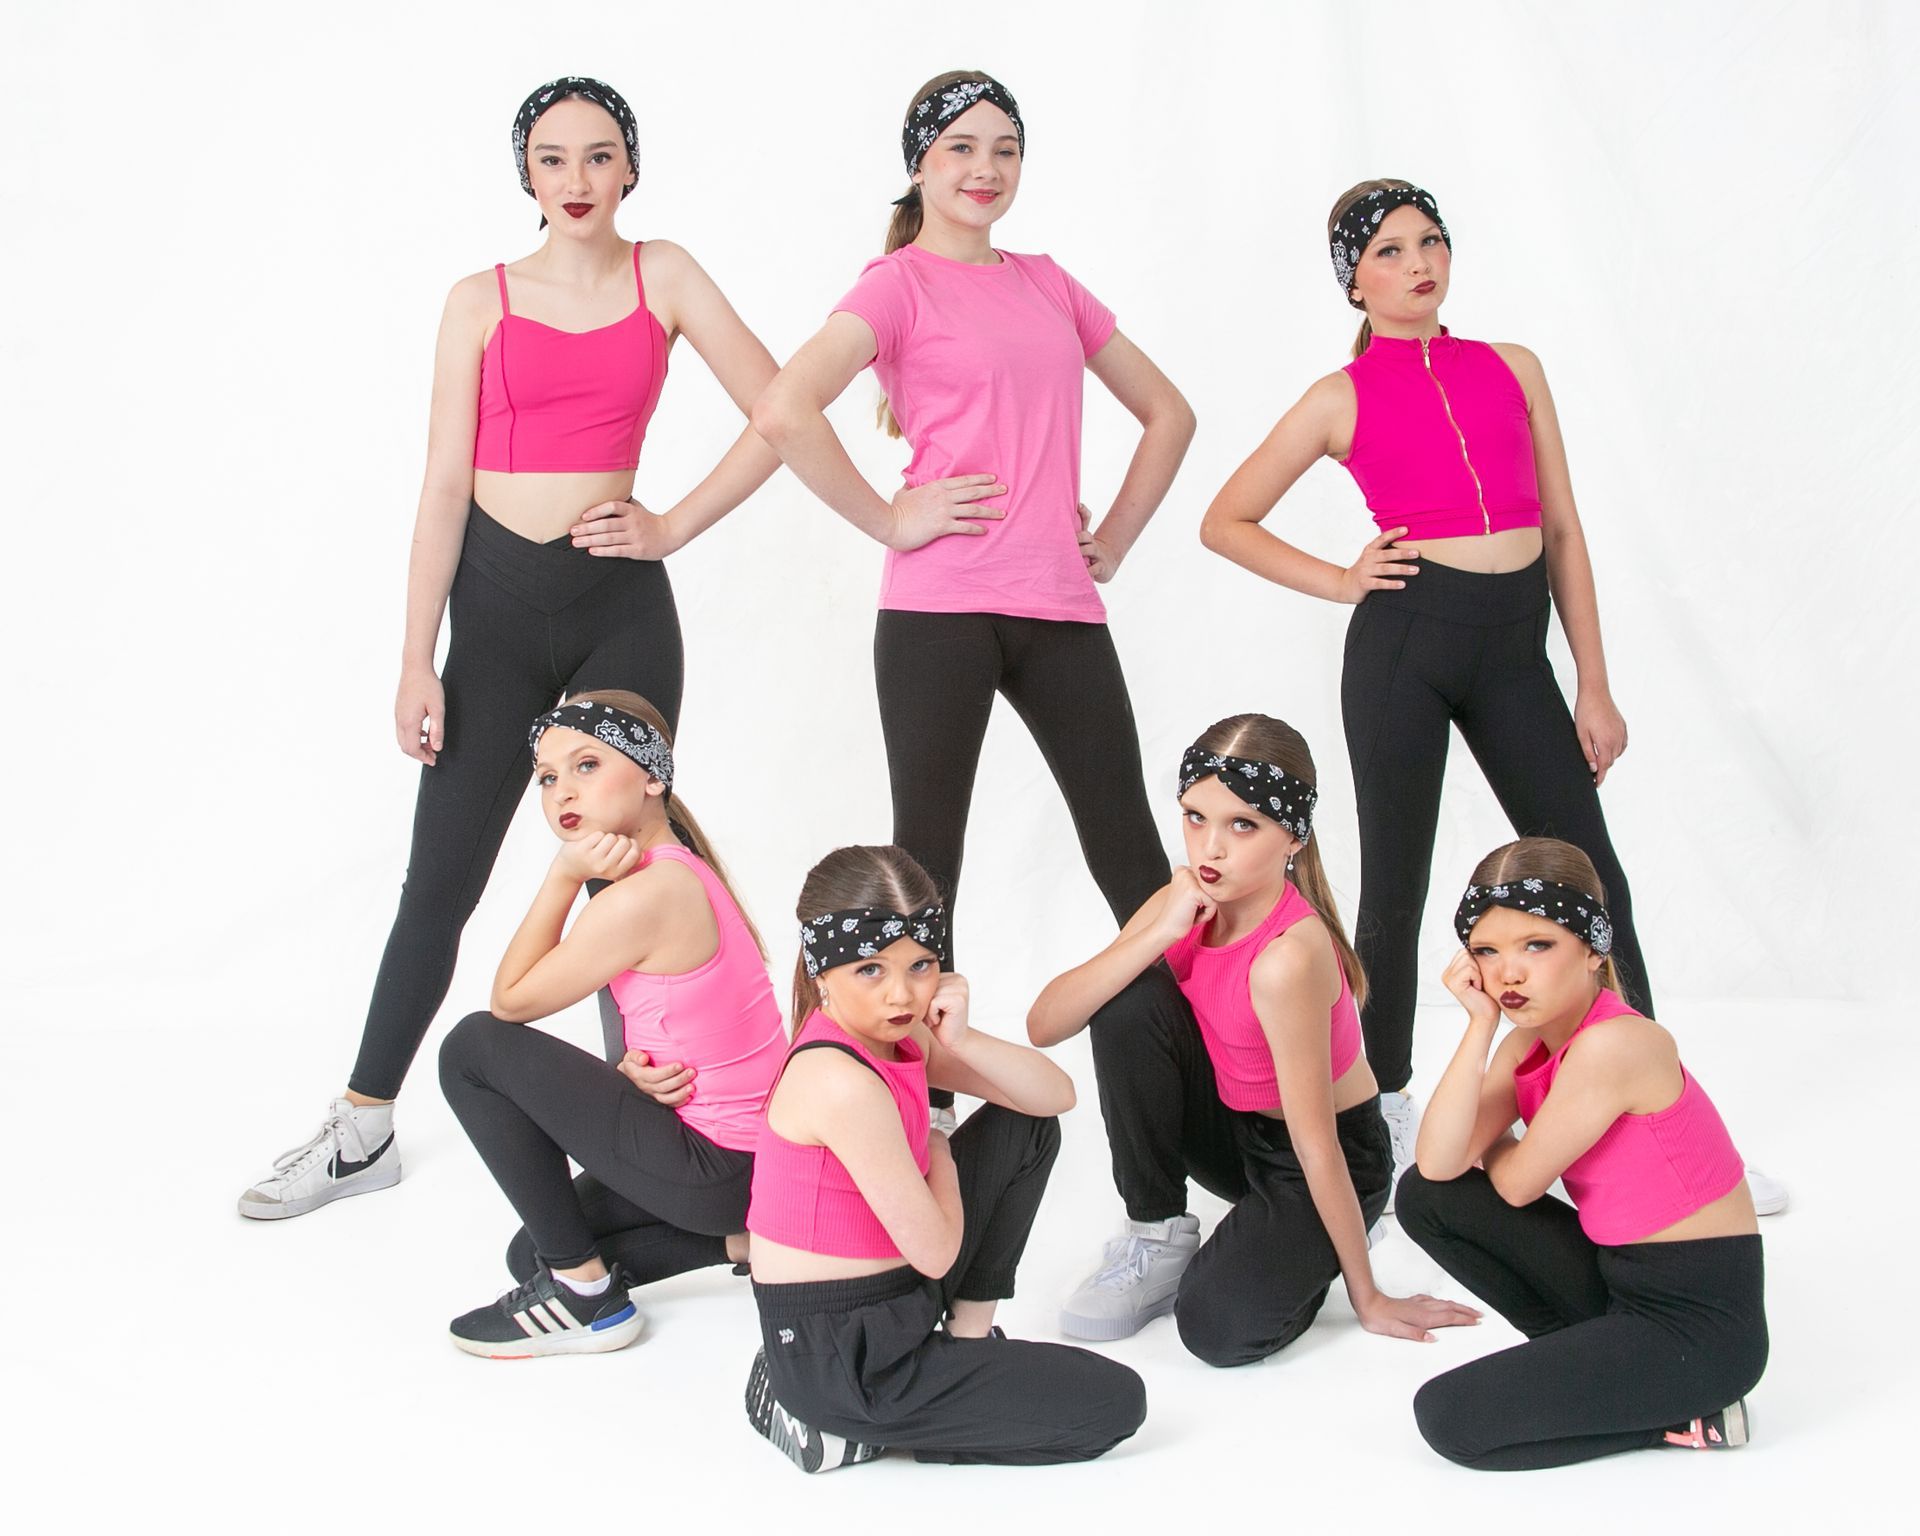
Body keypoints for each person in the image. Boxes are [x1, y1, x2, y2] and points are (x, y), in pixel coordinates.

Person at [239, 77, 782, 1219]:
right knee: (438, 881)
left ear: (630, 167)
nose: (576, 181)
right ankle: (361, 1125)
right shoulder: (476, 299)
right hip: (490, 610)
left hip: (618, 608)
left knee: (628, 871)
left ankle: (648, 1115)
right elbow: (443, 485)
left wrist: (672, 522)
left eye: (597, 157)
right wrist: (412, 656)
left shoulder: (665, 274)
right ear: (524, 175)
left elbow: (782, 411)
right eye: (552, 159)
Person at [1195, 180, 1664, 1198]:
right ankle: (1388, 1109)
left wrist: (1594, 684)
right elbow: (1225, 519)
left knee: (1595, 878)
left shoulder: (1512, 367)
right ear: (1353, 281)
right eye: (1391, 252)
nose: (1419, 264)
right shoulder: (1338, 395)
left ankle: (1653, 1100)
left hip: (1514, 647)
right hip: (1407, 642)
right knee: (1394, 890)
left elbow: (1568, 533)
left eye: (1431, 242)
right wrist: (1339, 579)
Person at [750, 71, 1194, 1128]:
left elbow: (1169, 413)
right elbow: (783, 406)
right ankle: (917, 1093)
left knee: (1130, 850)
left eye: (1004, 147)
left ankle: (1201, 1070)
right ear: (919, 165)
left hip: (1057, 606)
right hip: (938, 610)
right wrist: (888, 517)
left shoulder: (1048, 282)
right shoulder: (896, 284)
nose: (985, 167)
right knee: (925, 862)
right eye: (959, 147)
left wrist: (1114, 538)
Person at [1028, 715, 1481, 1356]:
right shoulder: (1183, 900)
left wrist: (1368, 1296)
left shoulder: (1286, 958)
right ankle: (1156, 1234)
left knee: (1217, 1329)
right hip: (1235, 1128)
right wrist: (1158, 933)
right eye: (1194, 817)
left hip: (1323, 1155)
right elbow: (1046, 1024)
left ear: (1293, 837)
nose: (1209, 848)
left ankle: (1333, 1232)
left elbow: (1316, 1140)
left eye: (1242, 825)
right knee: (1125, 998)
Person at [742, 846, 1146, 1471]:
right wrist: (939, 1148)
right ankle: (830, 1420)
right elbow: (935, 1250)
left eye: (920, 965)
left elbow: (1053, 1097)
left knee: (1024, 1124)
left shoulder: (901, 1036)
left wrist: (961, 1038)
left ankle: (967, 1342)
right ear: (823, 971)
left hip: (898, 1294)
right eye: (870, 970)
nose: (901, 994)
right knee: (1117, 1403)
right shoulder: (836, 1079)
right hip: (844, 1352)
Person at [433, 692, 784, 1357]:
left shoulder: (646, 894)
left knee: (472, 1047)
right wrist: (632, 1070)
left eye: (587, 764)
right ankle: (750, 1243)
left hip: (722, 1165)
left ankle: (584, 1300)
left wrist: (563, 876)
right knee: (533, 1248)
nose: (563, 790)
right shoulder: (677, 872)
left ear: (653, 776)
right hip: (748, 1170)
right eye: (547, 776)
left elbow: (509, 1002)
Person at [1398, 837, 1768, 1468]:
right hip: (1618, 1278)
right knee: (1426, 1197)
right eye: (1488, 951)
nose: (1508, 973)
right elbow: (1436, 1165)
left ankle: (1683, 1418)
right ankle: (1593, 1370)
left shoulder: (1617, 1045)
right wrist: (1480, 1025)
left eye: (1536, 946)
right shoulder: (1527, 1043)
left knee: (1450, 1419)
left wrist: (1493, 1147)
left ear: (1594, 949)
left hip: (1698, 1329)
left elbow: (1516, 1186)